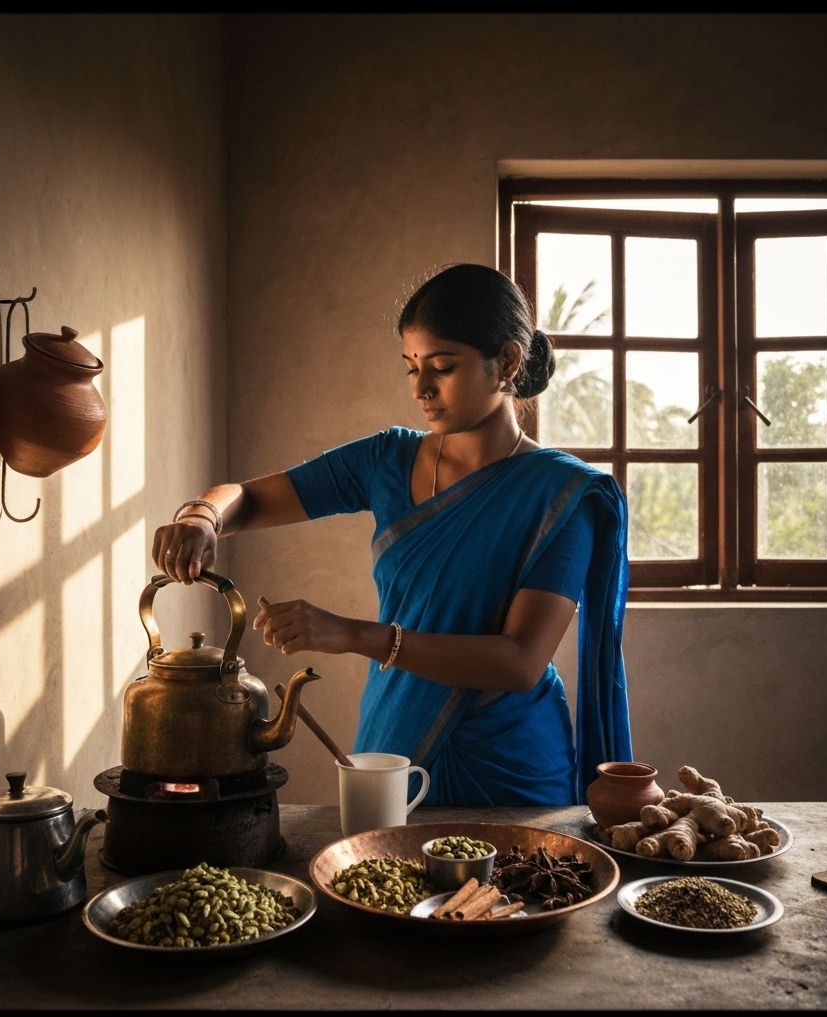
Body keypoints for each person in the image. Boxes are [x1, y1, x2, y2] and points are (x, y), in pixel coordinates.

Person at [152, 263, 632, 806]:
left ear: (508, 362)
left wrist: (353, 635)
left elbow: (520, 662)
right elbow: (248, 498)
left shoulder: (562, 494)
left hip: (509, 768)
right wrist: (201, 518)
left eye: (442, 367)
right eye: (410, 368)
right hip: (393, 744)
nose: (421, 388)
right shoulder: (387, 459)